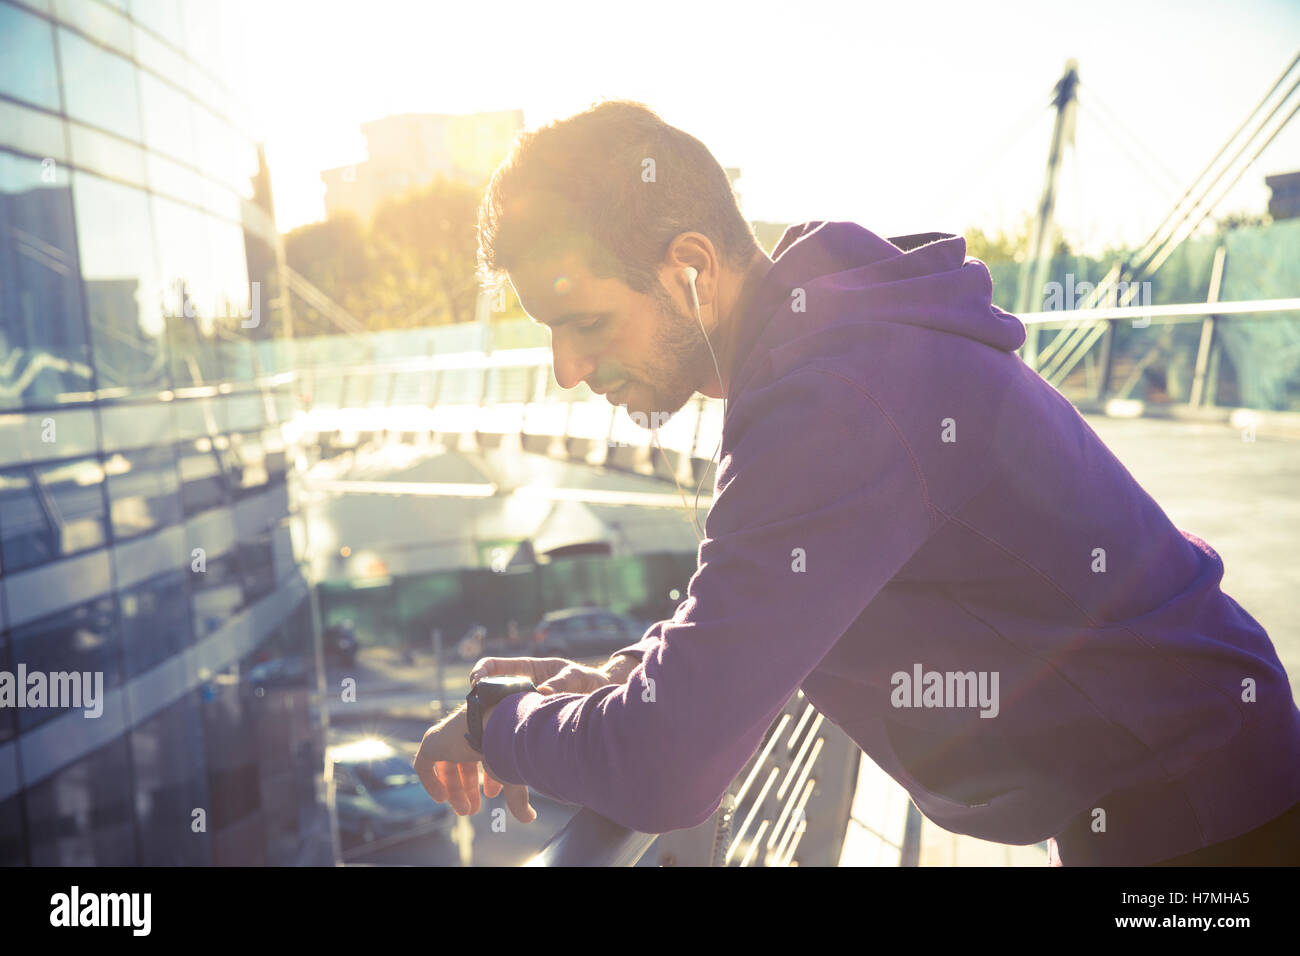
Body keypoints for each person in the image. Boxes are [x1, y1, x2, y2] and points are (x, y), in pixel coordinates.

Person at [412, 99, 1300, 866]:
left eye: (587, 322)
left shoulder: (831, 397)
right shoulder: (827, 344)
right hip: (1193, 786)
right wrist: (609, 682)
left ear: (690, 269)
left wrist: (505, 725)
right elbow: (762, 612)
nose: (565, 370)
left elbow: (665, 765)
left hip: (1205, 821)